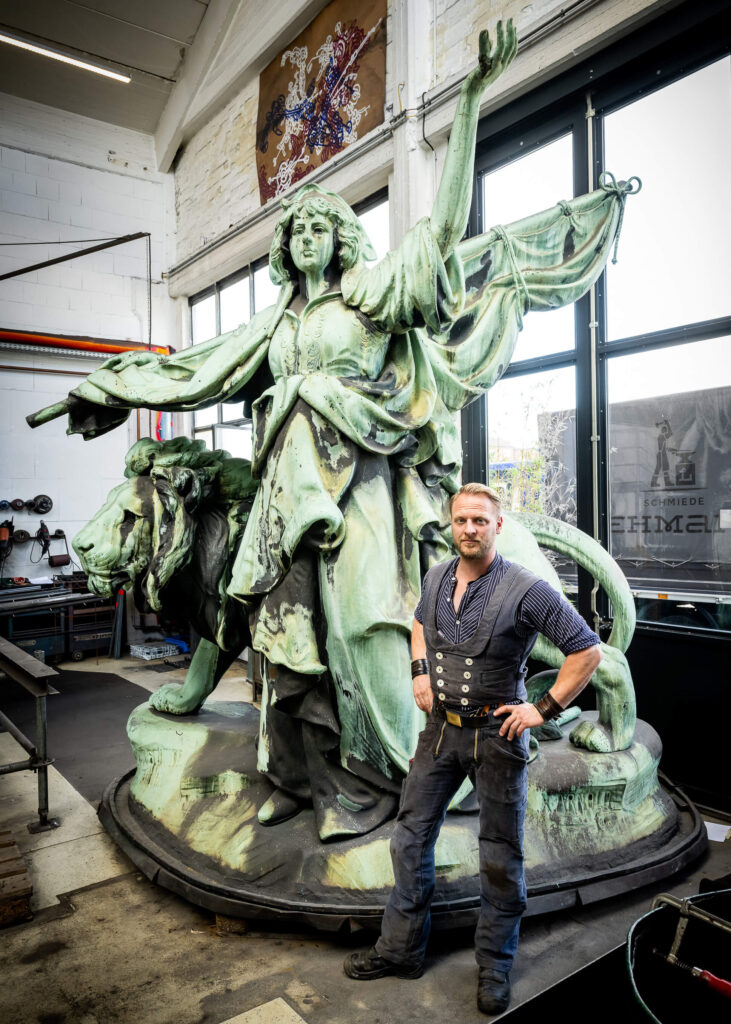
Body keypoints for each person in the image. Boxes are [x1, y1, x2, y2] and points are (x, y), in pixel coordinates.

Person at [28, 20, 631, 842]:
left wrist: (468, 106)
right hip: (285, 502)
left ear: (342, 236)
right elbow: (192, 368)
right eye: (296, 228)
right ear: (285, 246)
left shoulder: (371, 295)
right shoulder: (276, 323)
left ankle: (396, 773)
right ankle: (303, 780)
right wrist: (102, 384)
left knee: (359, 628)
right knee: (282, 639)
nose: (308, 236)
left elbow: (440, 235)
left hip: (362, 491)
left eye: (321, 225)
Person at [344, 482, 601, 1015]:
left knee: (500, 854)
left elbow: (586, 650)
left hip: (498, 737)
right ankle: (400, 950)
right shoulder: (437, 576)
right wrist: (420, 671)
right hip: (440, 731)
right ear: (451, 524)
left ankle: (495, 966)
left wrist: (541, 710)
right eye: (461, 519)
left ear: (497, 526)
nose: (469, 529)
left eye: (480, 520)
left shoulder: (527, 589)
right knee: (409, 838)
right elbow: (419, 623)